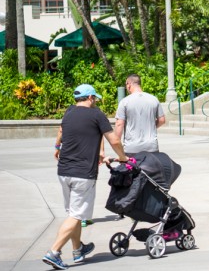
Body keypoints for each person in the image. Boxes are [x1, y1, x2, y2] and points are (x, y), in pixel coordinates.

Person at [43, 84, 129, 270]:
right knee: (76, 215)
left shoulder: (69, 112)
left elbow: (62, 132)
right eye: (95, 98)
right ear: (90, 98)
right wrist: (122, 157)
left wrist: (57, 148)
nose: (95, 100)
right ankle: (54, 252)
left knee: (73, 213)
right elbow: (113, 139)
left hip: (64, 171)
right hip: (83, 173)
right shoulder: (96, 114)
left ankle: (78, 250)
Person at [115, 74, 166, 155]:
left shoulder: (125, 102)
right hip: (152, 147)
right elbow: (162, 120)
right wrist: (151, 127)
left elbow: (119, 124)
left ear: (129, 84)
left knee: (133, 167)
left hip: (132, 148)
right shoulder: (153, 99)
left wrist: (116, 143)